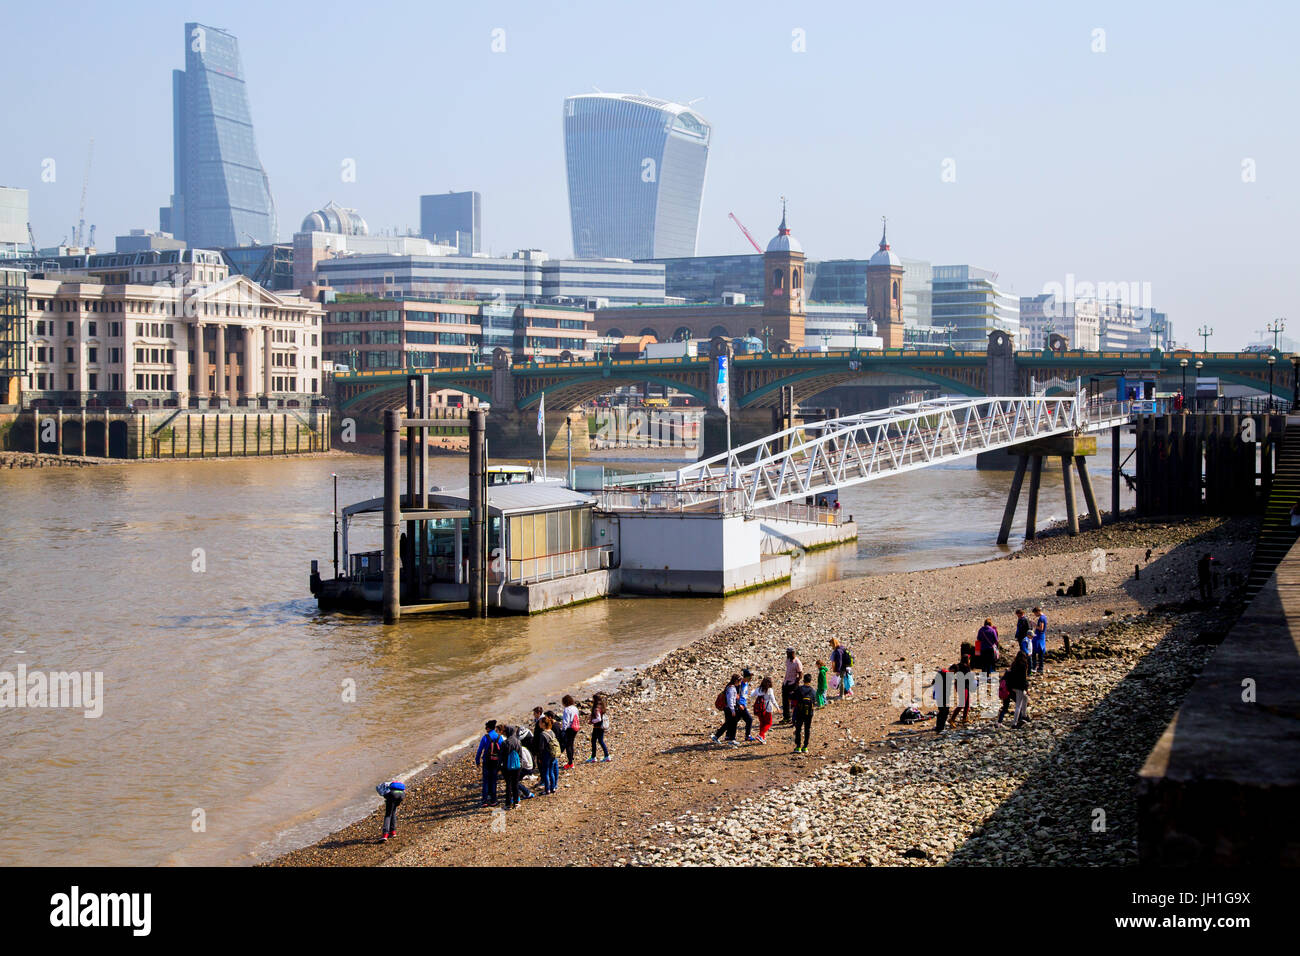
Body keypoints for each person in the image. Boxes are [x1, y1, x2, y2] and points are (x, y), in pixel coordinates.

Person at [474, 720, 504, 808]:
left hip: (487, 761)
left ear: (488, 728)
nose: (485, 729)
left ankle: (484, 801)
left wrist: (477, 761)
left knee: (486, 781)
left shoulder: (485, 737)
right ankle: (494, 800)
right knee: (494, 780)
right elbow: (502, 750)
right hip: (496, 761)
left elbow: (480, 750)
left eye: (486, 727)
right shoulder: (499, 737)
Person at [711, 674, 742, 746]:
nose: (740, 683)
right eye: (739, 681)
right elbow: (730, 700)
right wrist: (733, 710)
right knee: (731, 724)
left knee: (729, 724)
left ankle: (720, 737)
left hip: (728, 708)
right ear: (736, 681)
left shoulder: (730, 687)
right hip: (730, 708)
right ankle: (731, 739)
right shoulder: (731, 688)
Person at [1003, 651, 1031, 728]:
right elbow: (1024, 679)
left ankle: (1024, 715)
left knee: (1025, 698)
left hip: (1013, 686)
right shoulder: (1024, 665)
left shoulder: (1014, 664)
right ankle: (1014, 723)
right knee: (1018, 705)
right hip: (1020, 687)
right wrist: (1026, 688)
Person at [501, 725, 524, 810]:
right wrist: (521, 764)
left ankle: (508, 803)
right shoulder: (518, 741)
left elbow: (502, 757)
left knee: (508, 785)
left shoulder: (505, 743)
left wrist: (500, 767)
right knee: (515, 784)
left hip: (507, 766)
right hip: (517, 766)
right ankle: (516, 802)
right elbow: (521, 755)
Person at [793, 672, 816, 752]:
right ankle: (805, 747)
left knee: (798, 729)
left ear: (803, 680)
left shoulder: (799, 689)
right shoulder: (813, 691)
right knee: (807, 729)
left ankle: (798, 746)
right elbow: (814, 701)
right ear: (810, 681)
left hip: (799, 712)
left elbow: (792, 697)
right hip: (809, 713)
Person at [538, 716, 560, 794]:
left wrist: (539, 757)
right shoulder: (551, 731)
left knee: (546, 772)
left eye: (540, 723)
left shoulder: (542, 734)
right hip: (553, 754)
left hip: (546, 755)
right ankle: (553, 787)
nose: (539, 724)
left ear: (544, 724)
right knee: (551, 771)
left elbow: (541, 748)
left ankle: (547, 789)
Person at [587, 694, 612, 763]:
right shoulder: (602, 707)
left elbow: (598, 719)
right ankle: (596, 756)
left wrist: (592, 721)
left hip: (597, 727)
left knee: (597, 741)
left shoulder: (596, 708)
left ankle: (599, 756)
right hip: (600, 727)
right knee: (597, 741)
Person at [781, 647, 803, 722]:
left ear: (792, 653)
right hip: (786, 683)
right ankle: (786, 717)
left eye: (788, 653)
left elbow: (800, 674)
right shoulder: (788, 660)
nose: (786, 654)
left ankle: (795, 718)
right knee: (785, 701)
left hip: (792, 684)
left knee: (793, 702)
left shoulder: (797, 662)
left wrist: (796, 682)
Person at [754, 676, 777, 743]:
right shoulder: (770, 690)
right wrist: (777, 707)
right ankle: (760, 735)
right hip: (767, 708)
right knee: (768, 723)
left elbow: (752, 695)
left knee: (762, 723)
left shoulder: (758, 689)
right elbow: (773, 700)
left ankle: (762, 738)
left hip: (759, 708)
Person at [560, 695, 580, 769]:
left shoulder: (567, 709)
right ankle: (571, 758)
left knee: (568, 745)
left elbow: (566, 721)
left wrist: (563, 730)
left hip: (569, 729)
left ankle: (570, 763)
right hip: (575, 728)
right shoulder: (575, 708)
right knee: (571, 744)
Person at [736, 669, 756, 742]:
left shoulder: (746, 683)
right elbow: (736, 695)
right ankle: (747, 736)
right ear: (745, 677)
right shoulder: (740, 684)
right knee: (749, 719)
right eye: (749, 677)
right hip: (740, 705)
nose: (751, 678)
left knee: (734, 721)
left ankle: (726, 735)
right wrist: (739, 704)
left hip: (743, 704)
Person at [1031, 607, 1048, 675]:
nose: (1035, 615)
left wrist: (1034, 624)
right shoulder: (1044, 617)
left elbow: (1041, 628)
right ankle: (1040, 667)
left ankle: (1036, 667)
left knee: (1035, 652)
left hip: (1039, 636)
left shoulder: (1041, 618)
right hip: (1041, 636)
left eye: (1035, 613)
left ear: (1038, 612)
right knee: (1040, 652)